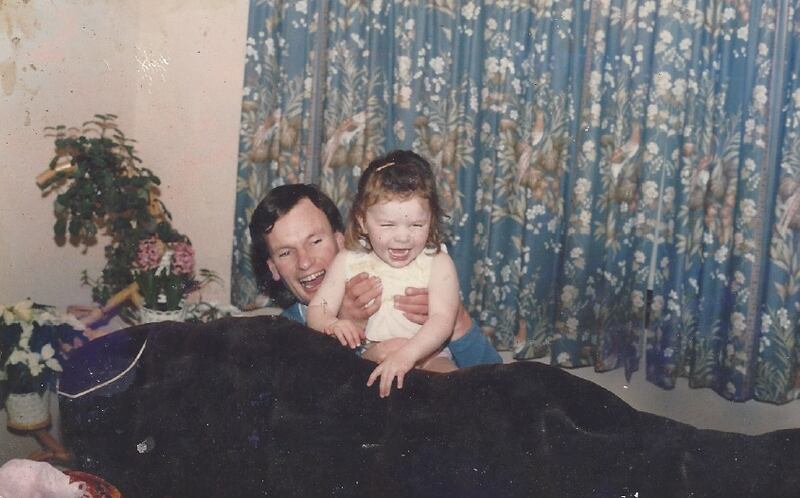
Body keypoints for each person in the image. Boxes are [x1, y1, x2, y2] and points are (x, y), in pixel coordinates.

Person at [247, 177, 501, 376]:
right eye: (285, 253)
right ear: (273, 268)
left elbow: (499, 388)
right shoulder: (281, 335)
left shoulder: (417, 275)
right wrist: (348, 335)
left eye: (315, 241)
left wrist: (457, 323)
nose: (304, 262)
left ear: (341, 241)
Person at [306, 150, 459, 396]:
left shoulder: (438, 261)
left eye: (417, 224)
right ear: (362, 221)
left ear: (431, 219)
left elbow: (443, 320)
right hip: (372, 353)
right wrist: (332, 324)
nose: (402, 237)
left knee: (453, 388)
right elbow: (317, 309)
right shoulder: (348, 260)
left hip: (429, 355)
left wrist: (407, 355)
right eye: (387, 225)